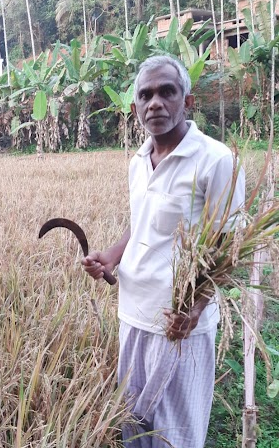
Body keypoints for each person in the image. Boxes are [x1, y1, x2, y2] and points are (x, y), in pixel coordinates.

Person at [81, 55, 245, 447]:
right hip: (133, 314)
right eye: (145, 95)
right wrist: (112, 256)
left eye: (166, 92)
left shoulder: (216, 160)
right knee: (134, 423)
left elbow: (230, 246)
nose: (155, 102)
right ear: (135, 108)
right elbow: (142, 221)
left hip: (179, 324)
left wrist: (195, 307)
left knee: (177, 431)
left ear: (187, 101)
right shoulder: (138, 161)